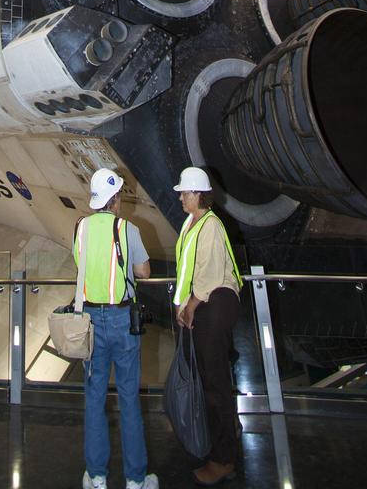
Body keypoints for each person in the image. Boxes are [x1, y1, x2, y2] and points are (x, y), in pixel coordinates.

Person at [75, 167, 159, 489]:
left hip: (91, 325)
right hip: (123, 323)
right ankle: (136, 479)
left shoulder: (79, 229)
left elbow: (80, 264)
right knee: (128, 399)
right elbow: (144, 271)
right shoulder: (127, 229)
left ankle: (96, 476)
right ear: (116, 199)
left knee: (94, 399)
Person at [172, 166, 242, 487]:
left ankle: (223, 459)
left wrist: (191, 304)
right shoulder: (192, 224)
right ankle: (223, 435)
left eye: (185, 193)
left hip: (215, 303)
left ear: (199, 195)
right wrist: (181, 303)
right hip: (201, 304)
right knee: (210, 377)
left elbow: (211, 274)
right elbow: (189, 269)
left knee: (214, 381)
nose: (182, 198)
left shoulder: (210, 225)